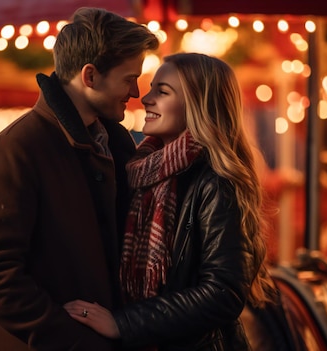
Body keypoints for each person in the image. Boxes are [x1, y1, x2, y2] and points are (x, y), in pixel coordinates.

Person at [0, 7, 159, 350]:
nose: (136, 92)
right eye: (129, 78)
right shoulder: (15, 151)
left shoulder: (116, 145)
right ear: (90, 76)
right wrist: (72, 339)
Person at [64, 53, 274, 350]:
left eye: (162, 92)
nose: (145, 98)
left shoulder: (216, 181)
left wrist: (123, 323)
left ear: (197, 105)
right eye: (151, 89)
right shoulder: (138, 171)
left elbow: (224, 292)